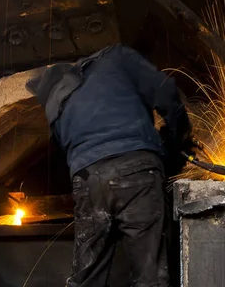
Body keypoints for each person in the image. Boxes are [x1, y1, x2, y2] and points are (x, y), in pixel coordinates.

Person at [26, 44, 191, 287]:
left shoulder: (57, 101)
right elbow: (163, 89)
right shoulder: (117, 57)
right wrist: (178, 137)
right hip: (136, 171)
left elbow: (69, 153)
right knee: (150, 277)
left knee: (88, 278)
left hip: (88, 181)